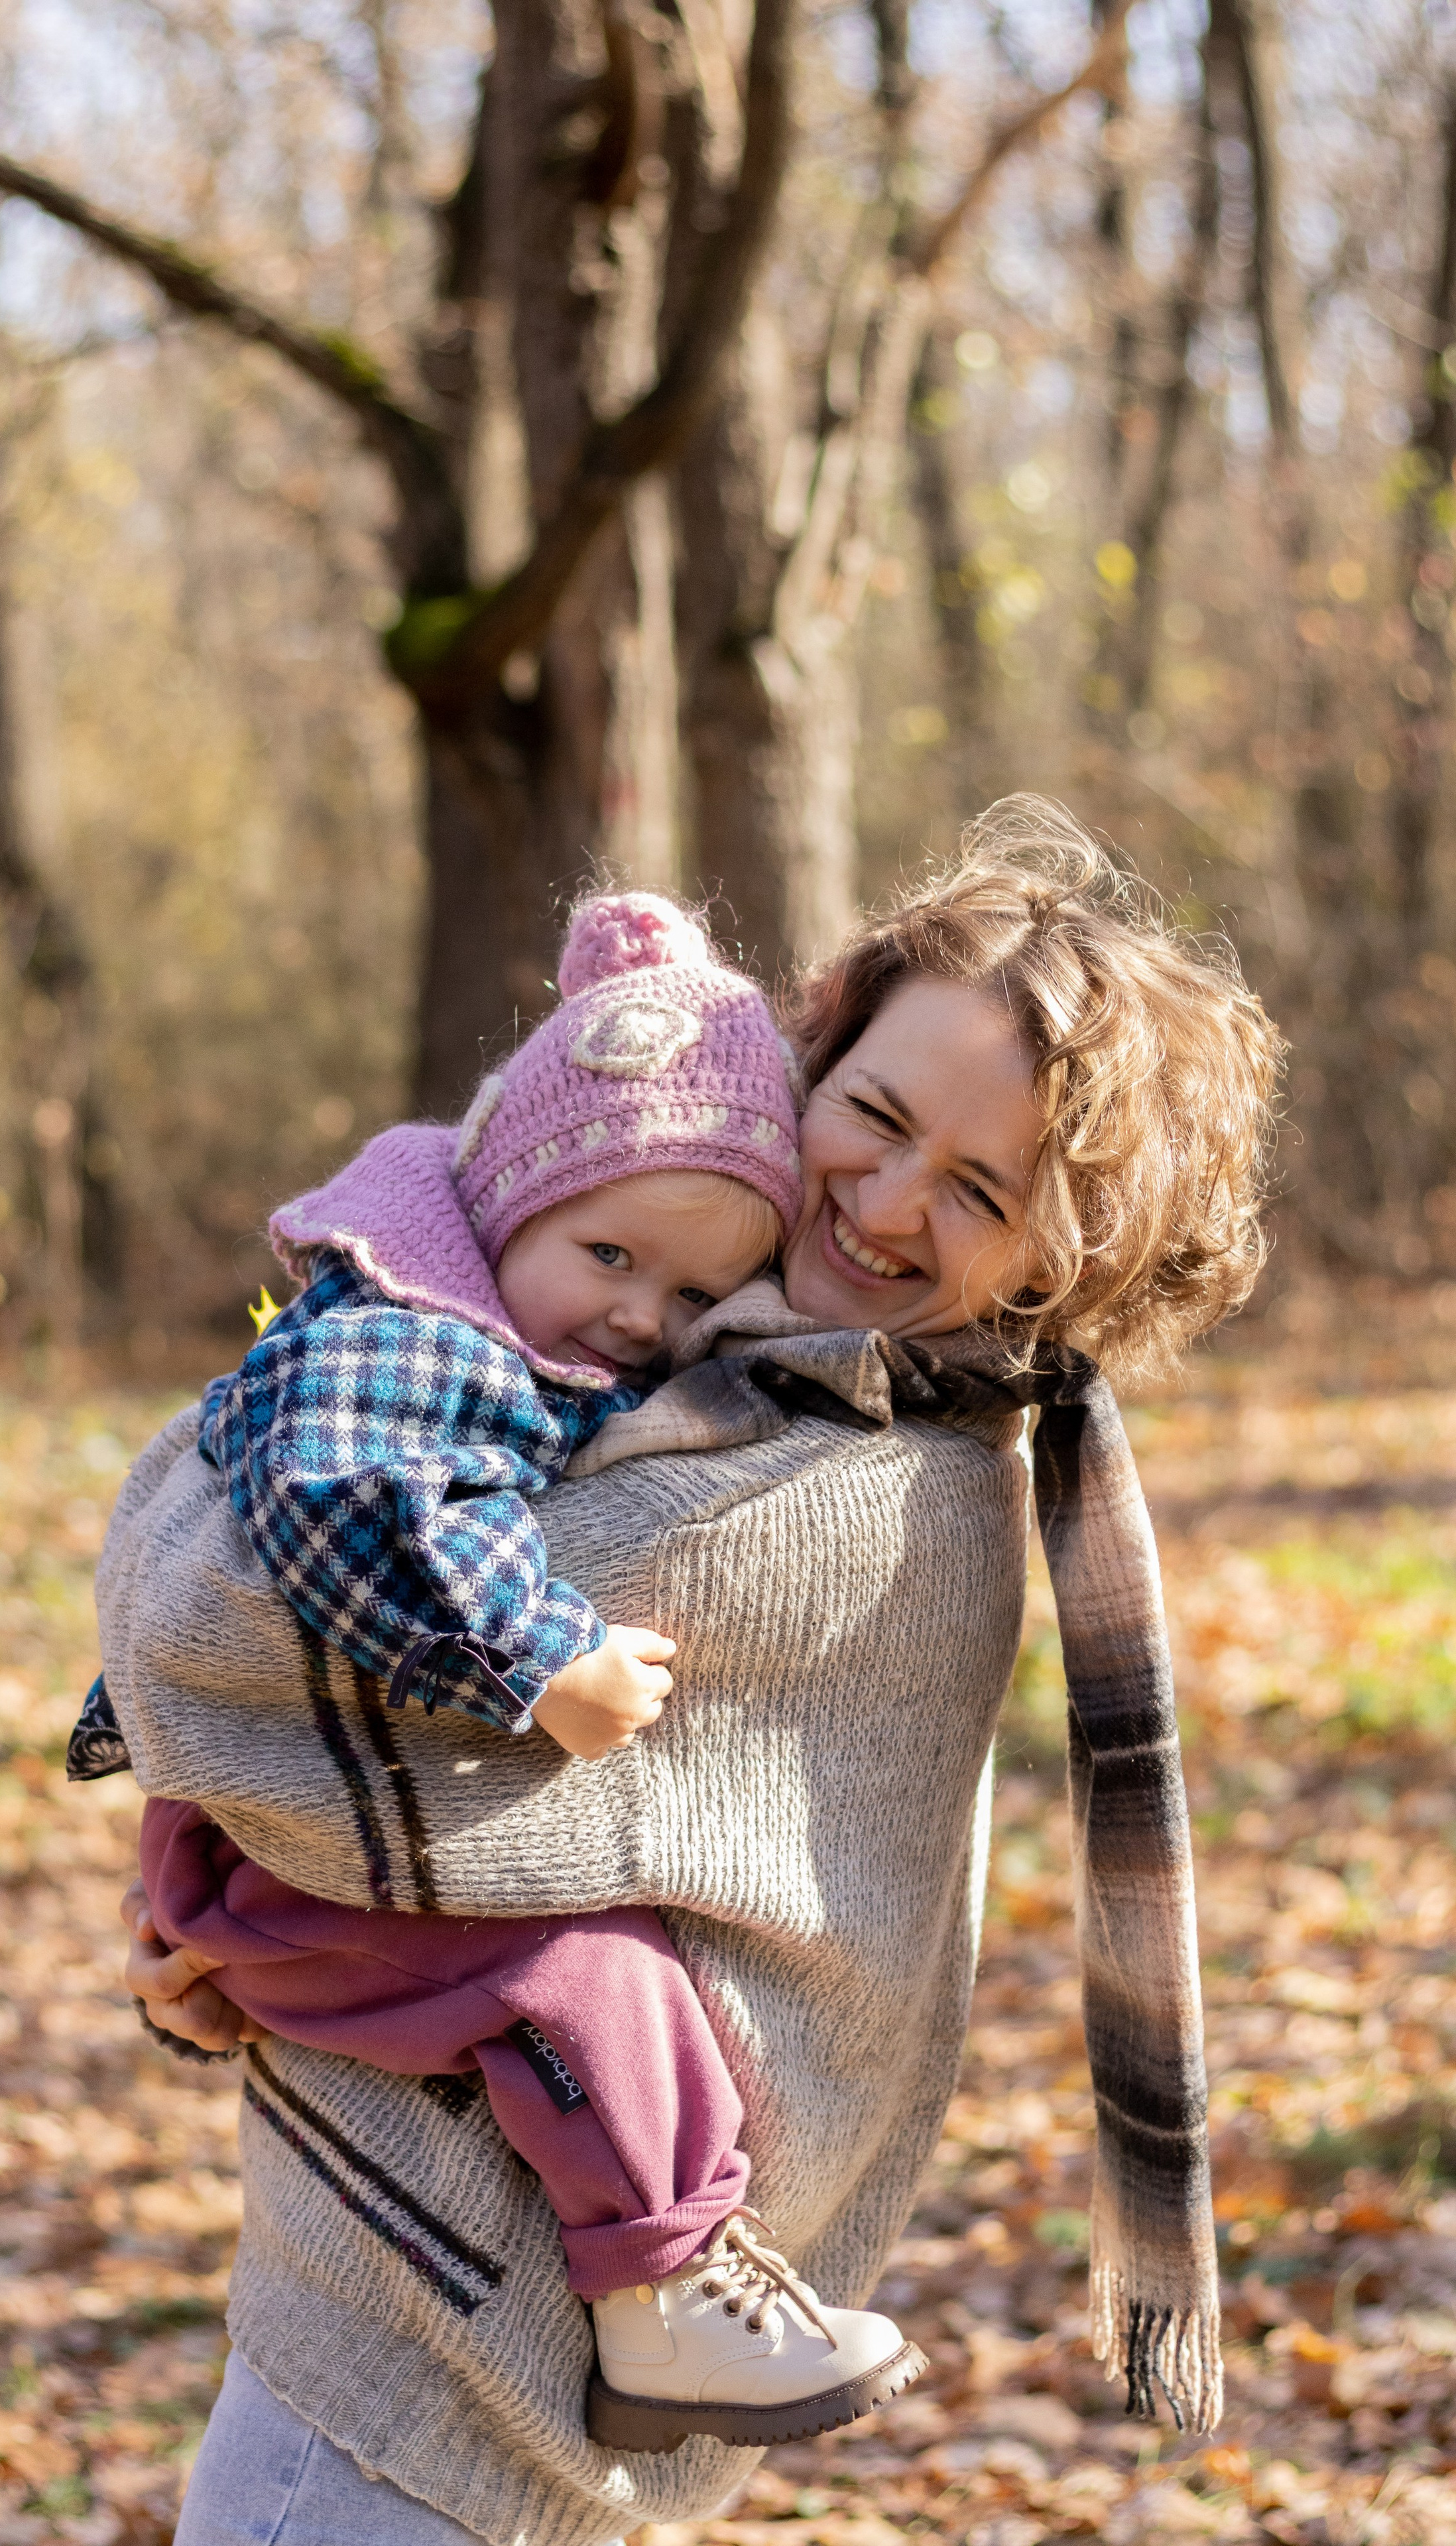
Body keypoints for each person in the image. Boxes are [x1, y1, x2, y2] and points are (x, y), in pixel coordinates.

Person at [109, 799, 1282, 2546]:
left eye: (979, 1192)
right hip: (428, 2302)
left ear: (1062, 1265)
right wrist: (219, 1902)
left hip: (452, 2344)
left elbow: (216, 1626)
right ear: (810, 1057)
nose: (887, 1203)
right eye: (873, 1116)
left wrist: (237, 1873)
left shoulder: (846, 1488)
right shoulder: (707, 1363)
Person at [81, 890, 928, 2447]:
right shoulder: (410, 1342)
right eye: (608, 1254)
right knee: (582, 1981)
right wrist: (540, 1658)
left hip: (266, 1854)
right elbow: (344, 1507)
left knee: (605, 1973)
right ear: (502, 1203)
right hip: (281, 1868)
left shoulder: (502, 1331)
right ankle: (658, 2292)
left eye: (690, 1297)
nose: (638, 1316)